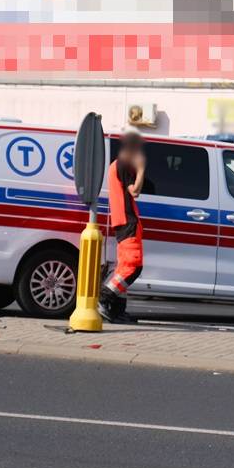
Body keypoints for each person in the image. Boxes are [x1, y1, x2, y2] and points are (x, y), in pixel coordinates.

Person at [100, 127, 146, 323]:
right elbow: (135, 191)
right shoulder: (123, 165)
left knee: (124, 267)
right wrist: (141, 168)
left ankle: (118, 309)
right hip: (128, 221)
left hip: (122, 221)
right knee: (133, 267)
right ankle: (104, 299)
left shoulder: (115, 165)